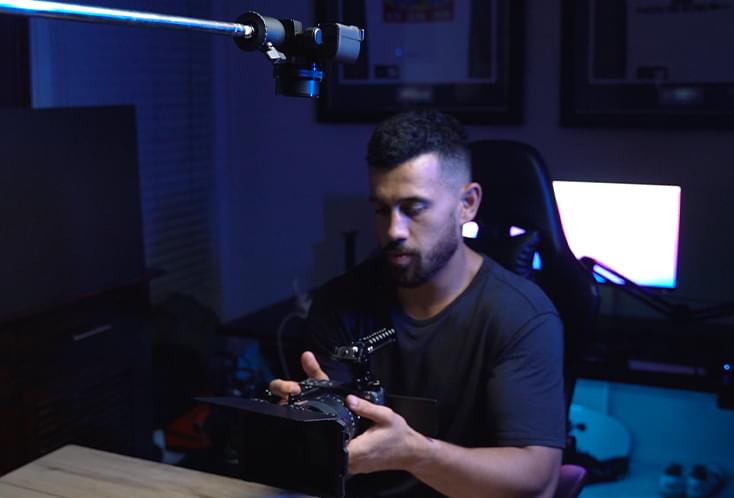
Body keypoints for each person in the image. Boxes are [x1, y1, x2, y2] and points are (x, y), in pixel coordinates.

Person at [270, 110, 566, 498]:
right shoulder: (340, 303)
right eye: (381, 209)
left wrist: (418, 455)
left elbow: (537, 479)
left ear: (467, 204)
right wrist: (309, 424)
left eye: (414, 209)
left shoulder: (521, 316)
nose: (393, 231)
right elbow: (331, 460)